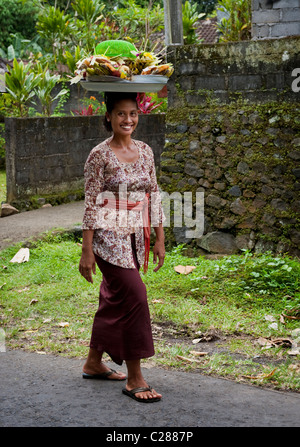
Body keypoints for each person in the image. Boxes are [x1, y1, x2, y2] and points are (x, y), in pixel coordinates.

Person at [79, 91, 165, 403]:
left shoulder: (145, 151)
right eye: (120, 114)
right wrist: (86, 250)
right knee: (134, 295)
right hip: (107, 238)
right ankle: (135, 377)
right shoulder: (99, 155)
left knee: (114, 298)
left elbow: (154, 194)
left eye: (133, 113)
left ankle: (93, 362)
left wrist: (159, 239)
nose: (127, 120)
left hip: (136, 237)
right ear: (109, 117)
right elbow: (91, 203)